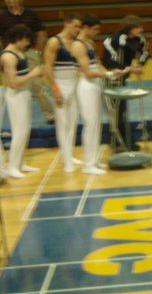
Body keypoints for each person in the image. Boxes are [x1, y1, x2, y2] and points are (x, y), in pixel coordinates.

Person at [72, 15, 126, 175]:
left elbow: (98, 64)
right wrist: (108, 75)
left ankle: (94, 160)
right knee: (90, 124)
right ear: (85, 27)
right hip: (86, 86)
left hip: (96, 84)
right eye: (95, 29)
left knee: (97, 124)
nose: (97, 33)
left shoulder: (89, 43)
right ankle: (88, 165)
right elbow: (88, 72)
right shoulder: (77, 45)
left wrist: (111, 72)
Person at [0, 0, 54, 123]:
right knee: (13, 83)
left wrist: (39, 51)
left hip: (30, 52)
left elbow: (41, 33)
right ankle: (17, 116)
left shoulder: (32, 14)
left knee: (38, 84)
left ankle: (50, 114)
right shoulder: (2, 17)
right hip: (11, 55)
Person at [1, 25, 43, 178]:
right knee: (19, 132)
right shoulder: (8, 56)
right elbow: (13, 83)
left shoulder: (19, 52)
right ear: (18, 38)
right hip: (15, 95)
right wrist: (33, 74)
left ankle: (20, 163)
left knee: (25, 130)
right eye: (26, 41)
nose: (27, 44)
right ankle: (12, 166)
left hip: (24, 93)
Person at [102, 15, 149, 152]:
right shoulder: (116, 39)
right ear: (130, 28)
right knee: (116, 111)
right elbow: (109, 61)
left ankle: (123, 140)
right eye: (138, 27)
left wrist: (140, 64)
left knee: (122, 110)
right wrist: (127, 68)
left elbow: (144, 52)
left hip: (124, 78)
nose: (142, 29)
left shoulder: (139, 39)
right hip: (113, 78)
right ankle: (117, 141)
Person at [43, 12, 82, 172]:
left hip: (74, 85)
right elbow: (47, 67)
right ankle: (66, 160)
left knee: (73, 122)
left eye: (80, 27)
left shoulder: (76, 43)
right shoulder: (54, 42)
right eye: (75, 26)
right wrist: (55, 89)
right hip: (60, 85)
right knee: (62, 123)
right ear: (66, 23)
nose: (78, 30)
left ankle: (70, 154)